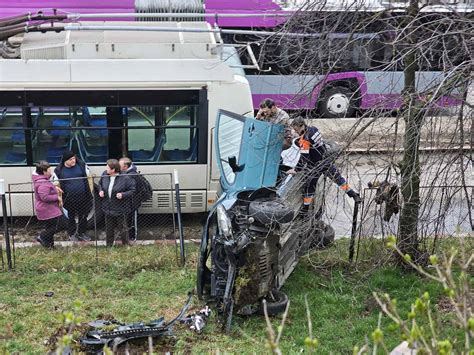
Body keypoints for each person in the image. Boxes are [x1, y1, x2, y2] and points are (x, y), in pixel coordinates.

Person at [288, 116, 361, 214]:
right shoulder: (314, 129)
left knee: (310, 187)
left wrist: (296, 169)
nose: (295, 131)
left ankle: (305, 210)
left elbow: (304, 158)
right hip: (325, 160)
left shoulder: (305, 139)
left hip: (315, 166)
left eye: (296, 129)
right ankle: (354, 195)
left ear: (301, 126)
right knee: (338, 179)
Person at [53, 150, 93, 241]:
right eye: (71, 159)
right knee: (71, 217)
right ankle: (72, 234)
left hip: (83, 198)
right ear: (65, 160)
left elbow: (89, 179)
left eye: (74, 158)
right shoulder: (59, 170)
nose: (73, 161)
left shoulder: (81, 166)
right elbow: (56, 184)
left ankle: (82, 233)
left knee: (83, 217)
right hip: (69, 199)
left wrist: (90, 192)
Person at [98, 159, 136, 247]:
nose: (106, 169)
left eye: (108, 168)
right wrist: (100, 191)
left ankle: (125, 245)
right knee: (109, 228)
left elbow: (132, 190)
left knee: (122, 228)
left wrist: (123, 194)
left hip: (120, 208)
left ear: (113, 170)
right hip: (108, 207)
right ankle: (109, 245)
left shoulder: (125, 178)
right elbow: (100, 184)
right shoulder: (104, 175)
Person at [119, 157, 153, 242]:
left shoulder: (133, 175)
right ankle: (127, 235)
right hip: (128, 202)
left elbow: (135, 191)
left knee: (132, 220)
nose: (118, 166)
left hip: (133, 203)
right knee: (126, 219)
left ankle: (133, 237)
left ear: (125, 166)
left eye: (120, 165)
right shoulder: (127, 173)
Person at [32, 161, 64, 249]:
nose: (51, 171)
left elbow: (46, 189)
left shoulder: (42, 180)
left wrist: (55, 187)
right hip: (47, 209)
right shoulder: (43, 183)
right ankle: (42, 236)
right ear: (44, 171)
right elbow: (45, 197)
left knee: (50, 227)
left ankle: (50, 246)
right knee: (60, 225)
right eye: (49, 170)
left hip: (47, 209)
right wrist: (57, 197)